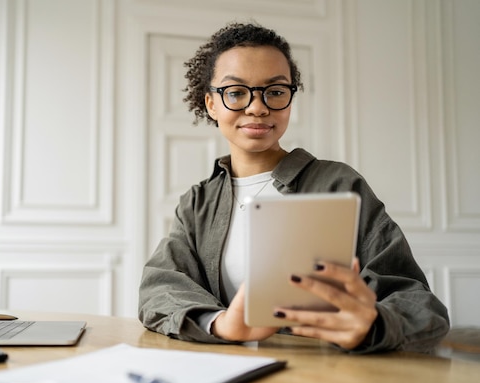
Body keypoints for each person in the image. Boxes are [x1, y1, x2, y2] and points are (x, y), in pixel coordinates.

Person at [137, 21, 450, 354]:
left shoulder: (339, 185)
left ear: (289, 98)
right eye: (236, 92)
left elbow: (422, 306)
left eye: (274, 91)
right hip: (230, 381)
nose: (257, 107)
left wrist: (373, 324)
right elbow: (158, 289)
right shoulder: (197, 203)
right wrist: (221, 323)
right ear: (211, 103)